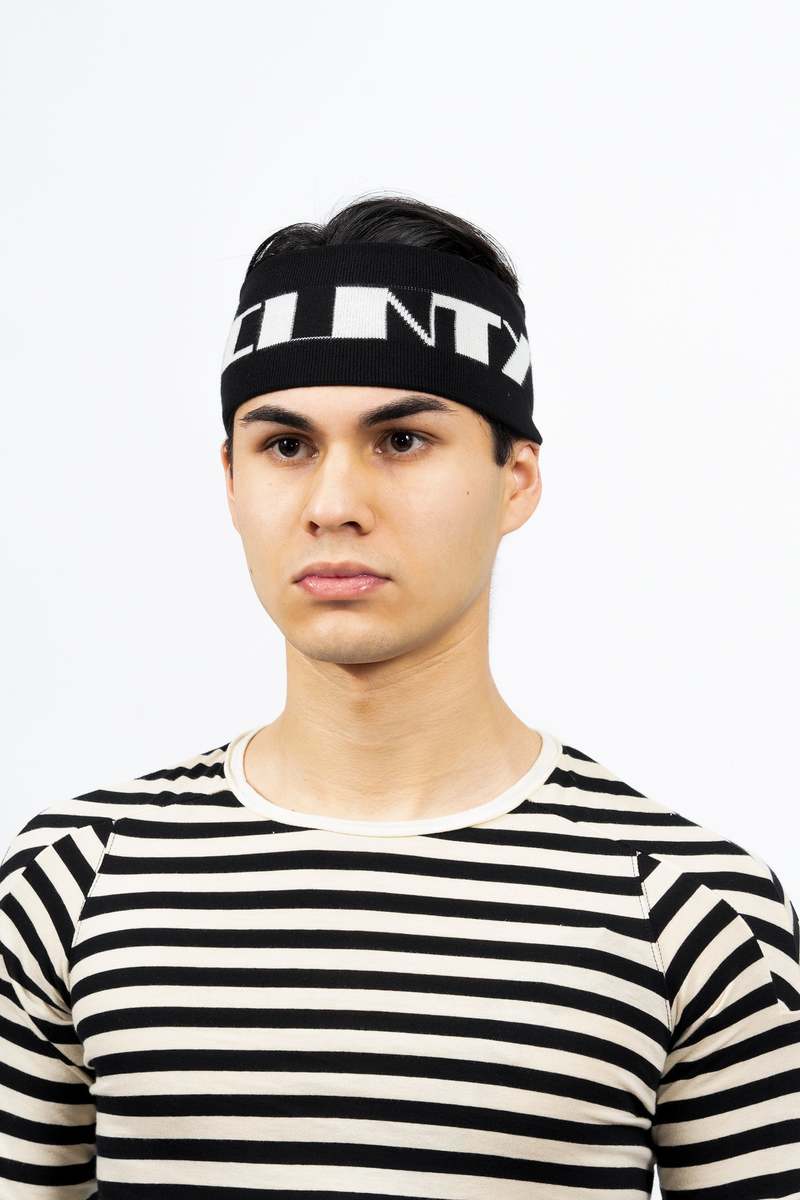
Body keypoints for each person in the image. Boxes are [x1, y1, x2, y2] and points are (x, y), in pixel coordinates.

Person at [1, 194, 799, 1199]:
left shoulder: (690, 905)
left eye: (402, 440)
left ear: (516, 479)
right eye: (286, 446)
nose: (334, 505)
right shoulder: (71, 880)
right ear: (231, 479)